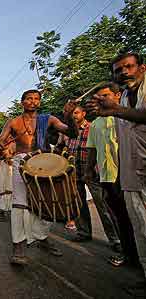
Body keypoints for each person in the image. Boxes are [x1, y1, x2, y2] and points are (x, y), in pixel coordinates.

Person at [0, 90, 77, 265]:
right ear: (22, 102)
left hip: (43, 161)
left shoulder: (48, 119)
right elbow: (1, 141)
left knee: (44, 201)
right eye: (29, 99)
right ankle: (18, 245)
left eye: (36, 99)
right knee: (19, 203)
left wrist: (69, 115)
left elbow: (72, 133)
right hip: (20, 162)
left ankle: (42, 237)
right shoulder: (14, 122)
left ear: (39, 102)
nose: (33, 102)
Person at [86, 52, 146, 292]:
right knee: (141, 228)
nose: (124, 73)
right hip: (131, 176)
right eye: (119, 70)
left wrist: (115, 111)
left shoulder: (121, 106)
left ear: (141, 67)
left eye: (128, 67)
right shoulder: (122, 102)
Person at [84, 82, 137, 266]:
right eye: (99, 97)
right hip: (107, 177)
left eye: (106, 95)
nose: (103, 100)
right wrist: (88, 170)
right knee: (120, 217)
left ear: (117, 95)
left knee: (136, 218)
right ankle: (129, 254)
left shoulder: (124, 118)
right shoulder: (95, 123)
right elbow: (91, 149)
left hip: (130, 175)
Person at [57, 106, 120, 247]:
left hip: (92, 172)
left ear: (83, 114)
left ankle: (116, 239)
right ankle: (84, 232)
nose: (73, 115)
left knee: (103, 206)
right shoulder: (67, 132)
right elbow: (59, 147)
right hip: (74, 173)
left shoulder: (93, 127)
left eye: (76, 112)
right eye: (71, 113)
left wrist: (91, 170)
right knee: (79, 204)